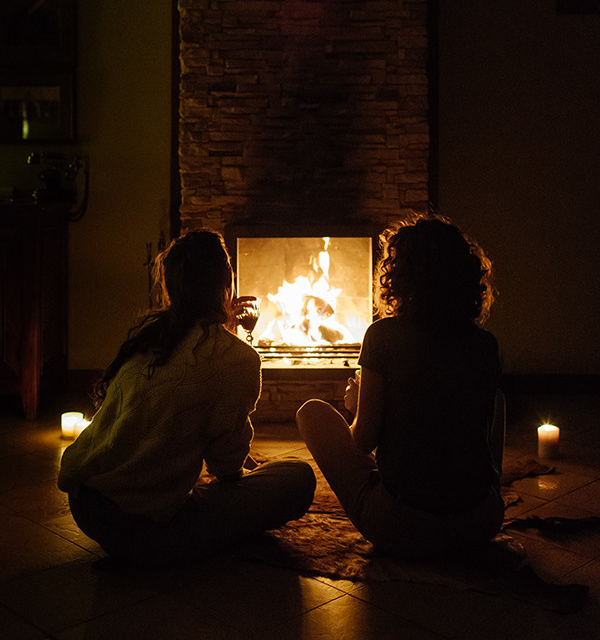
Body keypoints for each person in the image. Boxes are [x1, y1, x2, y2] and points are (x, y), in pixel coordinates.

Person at [59, 230, 315, 567]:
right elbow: (226, 469)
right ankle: (164, 555)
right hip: (151, 530)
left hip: (87, 507)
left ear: (171, 285)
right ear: (228, 277)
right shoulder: (237, 359)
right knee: (297, 477)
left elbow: (191, 377)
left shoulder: (153, 338)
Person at [296, 213, 506, 559]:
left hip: (402, 526)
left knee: (311, 414)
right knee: (496, 401)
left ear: (400, 278)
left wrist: (355, 404)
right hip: (479, 524)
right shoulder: (486, 345)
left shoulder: (383, 336)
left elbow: (363, 442)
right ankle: (480, 491)